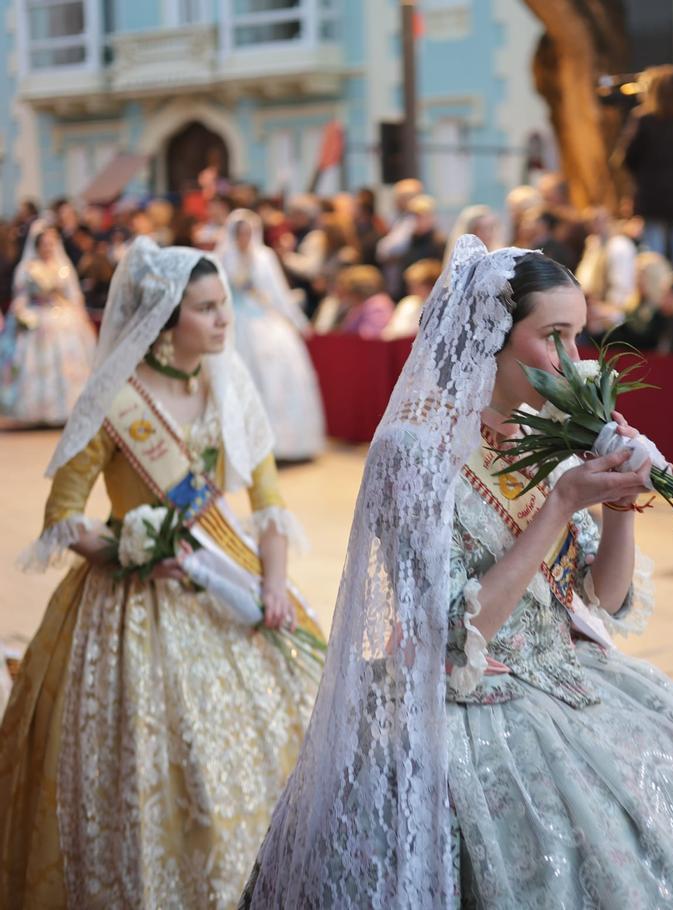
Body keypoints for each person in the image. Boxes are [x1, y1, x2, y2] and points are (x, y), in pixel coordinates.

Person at [241, 238, 673, 907]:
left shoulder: (548, 435)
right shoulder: (413, 455)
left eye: (579, 337)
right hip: (466, 701)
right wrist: (564, 501)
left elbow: (603, 597)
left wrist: (622, 500)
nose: (575, 362)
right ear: (490, 336)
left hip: (570, 678)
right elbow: (455, 631)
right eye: (553, 337)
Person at [0, 238, 322, 908]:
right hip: (132, 603)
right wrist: (133, 551)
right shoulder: (117, 401)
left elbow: (268, 503)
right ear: (165, 319)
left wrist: (272, 582)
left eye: (223, 307)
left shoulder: (230, 386)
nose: (223, 322)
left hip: (226, 585)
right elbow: (63, 515)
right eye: (206, 310)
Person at [217, 209, 326, 461]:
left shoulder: (264, 257)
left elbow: (279, 292)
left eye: (248, 233)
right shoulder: (224, 257)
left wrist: (298, 321)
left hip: (262, 318)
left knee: (275, 378)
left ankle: (283, 443)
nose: (244, 238)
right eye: (239, 233)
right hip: (237, 320)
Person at [0, 222, 95, 426]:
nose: (48, 247)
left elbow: (73, 295)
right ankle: (36, 411)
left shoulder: (63, 268)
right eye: (44, 244)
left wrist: (78, 314)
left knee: (67, 364)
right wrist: (21, 313)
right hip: (37, 320)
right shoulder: (28, 269)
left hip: (63, 320)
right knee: (35, 364)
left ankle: (65, 409)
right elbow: (21, 296)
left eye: (51, 243)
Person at [615, 65, 673, 276]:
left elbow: (627, 157)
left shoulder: (644, 120)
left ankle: (656, 289)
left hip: (651, 194)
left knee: (654, 246)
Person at [312, 264, 395, 338]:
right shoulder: (358, 307)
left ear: (356, 290)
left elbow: (370, 337)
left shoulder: (377, 304)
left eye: (346, 289)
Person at [383, 258, 442, 340]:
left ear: (431, 285)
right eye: (410, 285)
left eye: (416, 285)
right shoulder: (407, 303)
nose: (411, 289)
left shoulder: (440, 307)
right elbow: (390, 332)